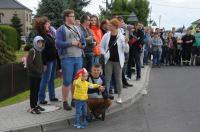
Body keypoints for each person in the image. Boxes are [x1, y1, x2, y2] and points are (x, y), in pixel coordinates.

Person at [56, 9, 86, 111]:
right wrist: (71, 43)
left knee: (76, 80)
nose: (74, 18)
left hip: (78, 57)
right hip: (67, 58)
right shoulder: (61, 29)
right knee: (67, 81)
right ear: (66, 17)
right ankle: (65, 101)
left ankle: (74, 99)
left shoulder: (78, 28)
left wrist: (82, 45)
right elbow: (58, 43)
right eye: (72, 16)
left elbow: (83, 42)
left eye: (73, 16)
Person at [100, 18, 129, 103]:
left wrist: (126, 43)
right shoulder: (106, 35)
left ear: (115, 26)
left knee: (118, 79)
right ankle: (107, 96)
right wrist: (104, 54)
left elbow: (126, 50)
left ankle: (119, 96)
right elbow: (101, 46)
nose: (108, 26)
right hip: (108, 60)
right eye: (109, 25)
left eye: (110, 25)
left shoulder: (122, 36)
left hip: (118, 61)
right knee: (107, 79)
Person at [34, 17, 59, 105]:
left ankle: (52, 96)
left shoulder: (48, 34)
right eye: (47, 24)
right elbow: (41, 51)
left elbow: (54, 47)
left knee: (51, 79)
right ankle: (41, 98)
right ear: (42, 25)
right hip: (47, 61)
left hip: (53, 60)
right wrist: (44, 64)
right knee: (45, 79)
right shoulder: (39, 36)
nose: (49, 25)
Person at [27, 36, 45, 114]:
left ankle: (36, 105)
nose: (40, 44)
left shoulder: (39, 51)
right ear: (35, 42)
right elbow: (29, 64)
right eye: (38, 42)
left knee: (37, 90)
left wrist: (41, 70)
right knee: (33, 91)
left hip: (39, 75)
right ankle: (32, 107)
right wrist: (37, 71)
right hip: (33, 75)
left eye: (41, 42)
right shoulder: (32, 51)